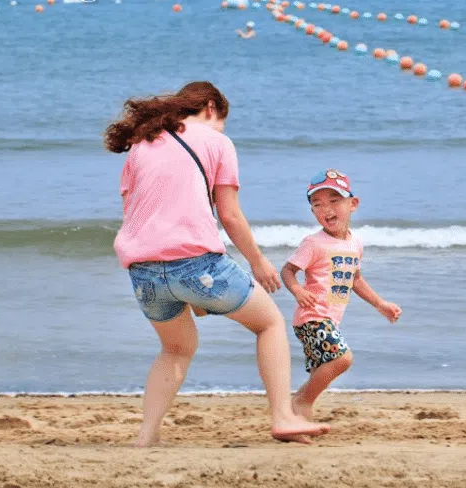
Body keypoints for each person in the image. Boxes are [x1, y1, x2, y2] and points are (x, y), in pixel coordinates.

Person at [103, 81, 330, 447]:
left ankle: (146, 436)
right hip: (195, 264)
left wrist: (186, 290)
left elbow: (134, 213)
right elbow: (230, 215)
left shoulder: (142, 144)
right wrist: (258, 262)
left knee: (176, 348)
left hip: (143, 271)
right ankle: (283, 417)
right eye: (222, 120)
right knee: (269, 323)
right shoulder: (217, 142)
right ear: (211, 107)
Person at [280, 169, 402, 421]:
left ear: (352, 204)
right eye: (318, 204)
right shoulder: (313, 243)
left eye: (334, 201)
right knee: (342, 359)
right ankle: (301, 401)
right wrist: (298, 290)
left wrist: (380, 304)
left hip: (330, 320)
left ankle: (297, 416)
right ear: (313, 211)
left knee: (322, 371)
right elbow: (288, 270)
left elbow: (355, 279)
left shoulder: (355, 243)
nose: (326, 209)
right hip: (311, 317)